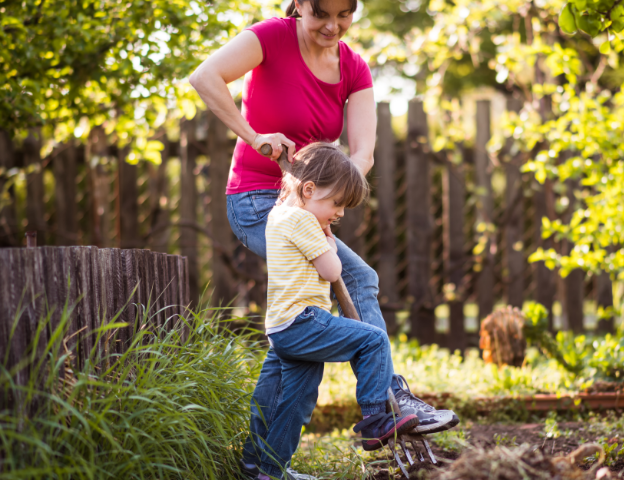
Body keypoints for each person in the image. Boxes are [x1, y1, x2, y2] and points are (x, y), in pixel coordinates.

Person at [189, 0, 459, 478]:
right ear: (298, 5)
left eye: (344, 14)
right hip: (255, 199)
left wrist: (330, 200)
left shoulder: (353, 66)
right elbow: (204, 77)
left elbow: (363, 152)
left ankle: (263, 465)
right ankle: (388, 399)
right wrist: (254, 137)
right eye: (320, 14)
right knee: (357, 275)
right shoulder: (269, 38)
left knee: (295, 361)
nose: (332, 26)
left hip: (308, 205)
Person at [249, 143, 420, 480]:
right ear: (309, 189)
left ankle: (264, 469)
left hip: (282, 327)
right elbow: (331, 271)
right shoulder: (303, 219)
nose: (340, 213)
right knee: (373, 340)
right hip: (303, 320)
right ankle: (375, 419)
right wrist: (328, 241)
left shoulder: (278, 215)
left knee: (293, 402)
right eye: (337, 202)